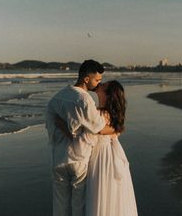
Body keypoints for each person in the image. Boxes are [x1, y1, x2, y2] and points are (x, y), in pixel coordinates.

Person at [45, 60, 115, 216]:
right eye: (97, 80)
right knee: (79, 205)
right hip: (79, 158)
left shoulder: (56, 97)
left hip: (57, 157)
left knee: (60, 204)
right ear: (86, 79)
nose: (98, 84)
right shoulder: (84, 99)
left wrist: (68, 129)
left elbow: (50, 125)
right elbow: (98, 127)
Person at [85, 80, 138, 216]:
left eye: (103, 85)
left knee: (101, 192)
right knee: (112, 195)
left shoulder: (100, 114)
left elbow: (98, 129)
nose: (100, 83)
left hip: (103, 157)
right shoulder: (110, 115)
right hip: (112, 154)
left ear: (107, 95)